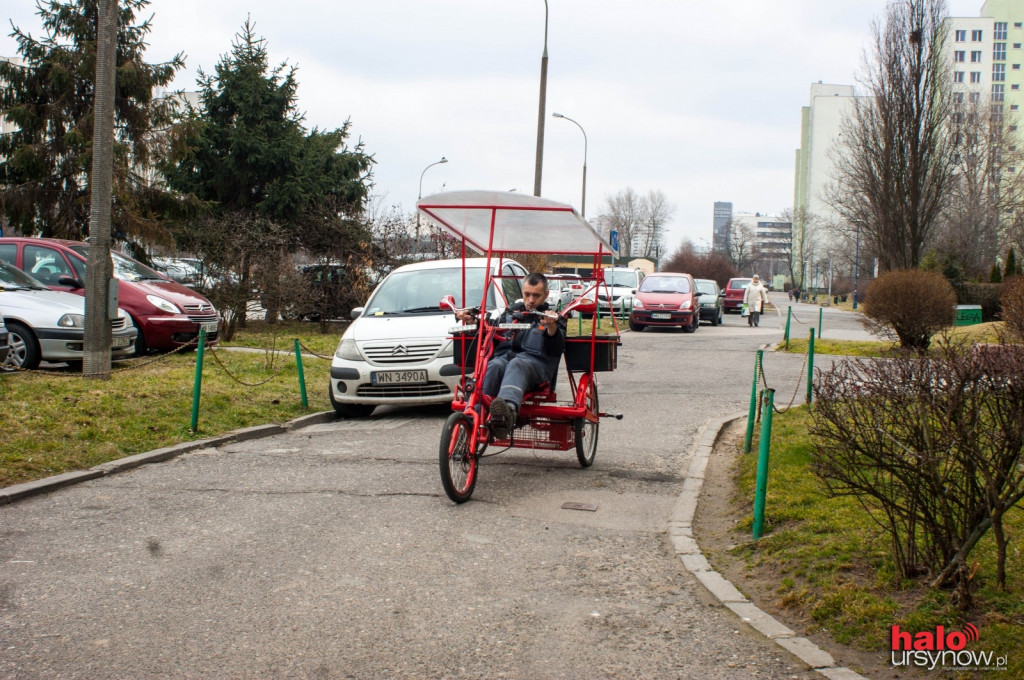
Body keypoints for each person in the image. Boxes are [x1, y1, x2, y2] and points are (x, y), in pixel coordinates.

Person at [457, 273, 566, 439]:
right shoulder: (510, 314)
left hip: (535, 368)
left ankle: (506, 414)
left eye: (536, 295)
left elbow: (557, 347)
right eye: (527, 294)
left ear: (546, 294)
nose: (530, 300)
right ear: (522, 293)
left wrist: (552, 327)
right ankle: (473, 420)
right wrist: (473, 321)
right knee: (493, 365)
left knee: (517, 364)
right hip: (504, 361)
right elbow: (489, 328)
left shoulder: (554, 317)